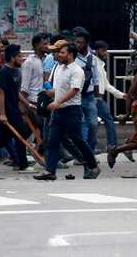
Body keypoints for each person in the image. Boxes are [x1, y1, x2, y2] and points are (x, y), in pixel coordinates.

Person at [34, 43, 101, 181]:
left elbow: (74, 90)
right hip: (58, 112)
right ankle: (50, 171)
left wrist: (58, 102)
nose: (59, 55)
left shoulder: (77, 70)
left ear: (70, 55)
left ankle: (93, 166)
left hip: (72, 110)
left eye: (62, 52)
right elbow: (59, 89)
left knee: (78, 140)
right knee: (52, 141)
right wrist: (49, 94)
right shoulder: (59, 68)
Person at [0, 45, 36, 173]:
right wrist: (2, 114)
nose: (22, 59)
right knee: (21, 135)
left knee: (3, 140)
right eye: (19, 56)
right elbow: (1, 93)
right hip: (7, 111)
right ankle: (22, 164)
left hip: (14, 109)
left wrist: (27, 103)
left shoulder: (16, 72)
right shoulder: (4, 73)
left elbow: (16, 92)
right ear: (12, 58)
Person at [94, 41, 125, 154]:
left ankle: (108, 145)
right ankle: (112, 145)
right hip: (95, 97)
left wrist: (121, 95)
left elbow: (106, 84)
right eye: (103, 50)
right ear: (97, 50)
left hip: (97, 97)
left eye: (106, 51)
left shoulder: (100, 64)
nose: (105, 53)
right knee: (107, 119)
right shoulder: (94, 63)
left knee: (95, 123)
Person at [74, 30, 100, 152]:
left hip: (89, 96)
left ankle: (90, 150)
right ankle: (83, 153)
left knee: (93, 125)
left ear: (86, 43)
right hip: (76, 95)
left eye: (81, 43)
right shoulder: (72, 58)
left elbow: (96, 79)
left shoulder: (93, 59)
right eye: (76, 42)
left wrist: (97, 98)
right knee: (81, 126)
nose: (78, 45)